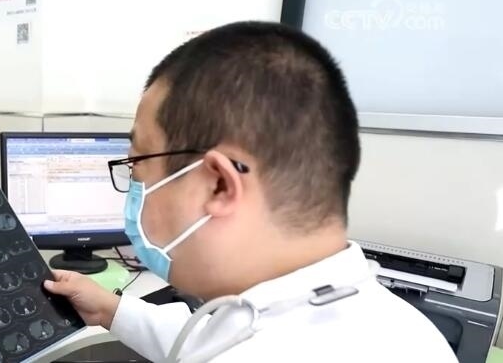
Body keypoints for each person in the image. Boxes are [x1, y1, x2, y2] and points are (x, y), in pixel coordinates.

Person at [43, 21, 456, 362]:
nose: (135, 185)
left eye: (138, 164)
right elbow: (215, 337)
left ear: (220, 185)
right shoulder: (405, 330)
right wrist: (112, 310)